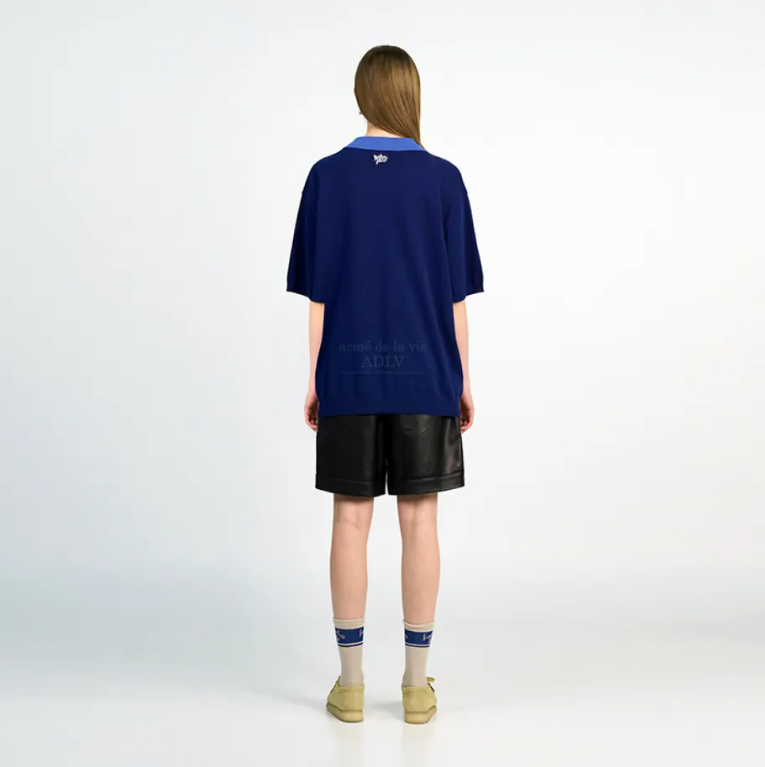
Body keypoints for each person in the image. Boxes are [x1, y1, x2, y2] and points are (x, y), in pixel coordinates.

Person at [286, 45, 483, 724]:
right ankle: (416, 686)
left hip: (346, 372)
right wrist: (462, 379)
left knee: (349, 519)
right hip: (426, 374)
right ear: (410, 94)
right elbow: (455, 299)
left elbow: (318, 297)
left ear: (361, 95)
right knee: (419, 521)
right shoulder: (444, 180)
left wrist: (317, 377)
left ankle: (349, 687)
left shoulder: (324, 177)